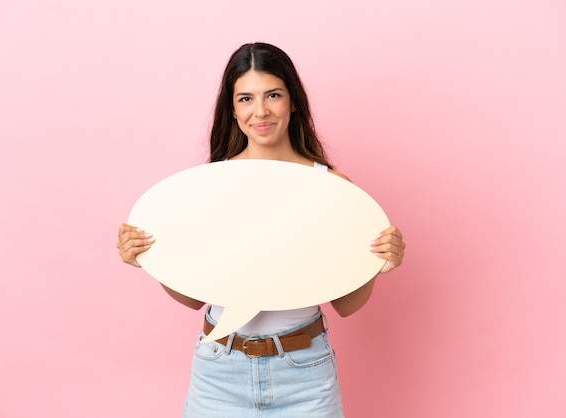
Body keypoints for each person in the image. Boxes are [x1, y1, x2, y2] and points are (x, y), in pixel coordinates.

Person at [117, 42, 405, 417]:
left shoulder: (333, 189)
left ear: (293, 102)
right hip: (220, 371)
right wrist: (151, 259)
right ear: (233, 110)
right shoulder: (208, 187)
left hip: (304, 372)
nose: (261, 111)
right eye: (246, 99)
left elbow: (346, 305)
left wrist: (376, 266)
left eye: (273, 95)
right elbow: (193, 299)